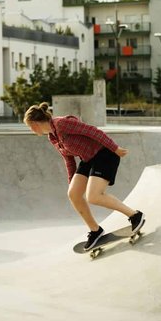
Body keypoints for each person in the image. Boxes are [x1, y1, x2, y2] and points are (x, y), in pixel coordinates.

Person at [23, 102, 145, 251]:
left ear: (35, 123)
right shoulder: (52, 137)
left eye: (30, 126)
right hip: (87, 159)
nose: (30, 129)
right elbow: (68, 159)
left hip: (104, 154)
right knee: (73, 194)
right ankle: (95, 231)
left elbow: (93, 132)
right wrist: (72, 182)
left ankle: (134, 215)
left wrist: (115, 148)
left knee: (93, 196)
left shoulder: (61, 124)